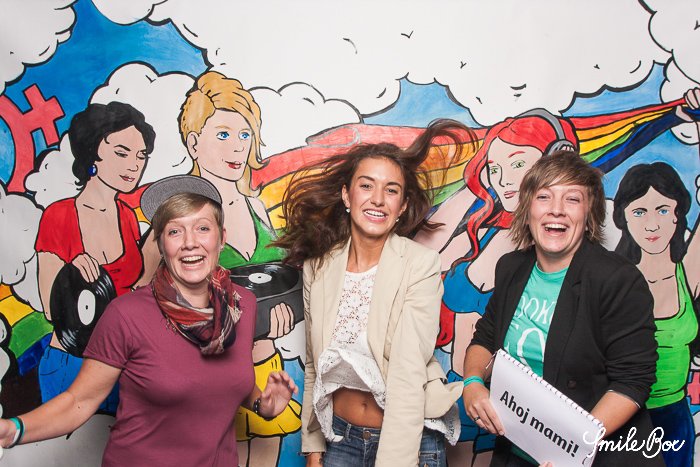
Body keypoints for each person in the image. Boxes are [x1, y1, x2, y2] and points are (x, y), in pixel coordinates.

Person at [0, 175, 297, 466]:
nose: (190, 243)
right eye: (175, 231)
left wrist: (263, 404)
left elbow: (223, 380)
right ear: (161, 244)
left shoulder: (242, 304)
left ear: (221, 239)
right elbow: (79, 401)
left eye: (203, 228)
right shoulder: (127, 314)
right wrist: (15, 429)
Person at [275, 119, 471, 466]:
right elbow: (315, 365)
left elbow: (408, 375)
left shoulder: (420, 265)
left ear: (402, 206)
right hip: (340, 440)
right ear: (346, 195)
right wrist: (314, 446)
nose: (378, 199)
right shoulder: (319, 266)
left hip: (410, 441)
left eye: (391, 190)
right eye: (366, 185)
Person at [461, 151, 662, 466]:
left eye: (572, 199)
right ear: (527, 209)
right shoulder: (511, 268)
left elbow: (632, 382)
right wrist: (472, 383)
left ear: (589, 213)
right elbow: (485, 339)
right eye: (544, 197)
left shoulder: (617, 279)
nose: (556, 209)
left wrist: (572, 449)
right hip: (517, 451)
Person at [413, 110, 578, 459]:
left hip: (509, 409)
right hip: (456, 394)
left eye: (517, 165)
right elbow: (415, 256)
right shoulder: (482, 232)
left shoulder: (556, 258)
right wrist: (472, 190)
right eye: (495, 168)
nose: (503, 180)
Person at [35, 101, 155, 413]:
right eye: (122, 153)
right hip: (72, 364)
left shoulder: (127, 216)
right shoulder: (58, 216)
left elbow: (135, 290)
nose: (134, 165)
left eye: (141, 156)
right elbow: (50, 308)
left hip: (124, 363)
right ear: (93, 151)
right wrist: (70, 276)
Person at [613, 162, 699, 467]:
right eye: (639, 212)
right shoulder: (610, 280)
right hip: (620, 418)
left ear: (678, 214)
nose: (652, 225)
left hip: (675, 420)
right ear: (623, 217)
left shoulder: (686, 274)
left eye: (662, 210)